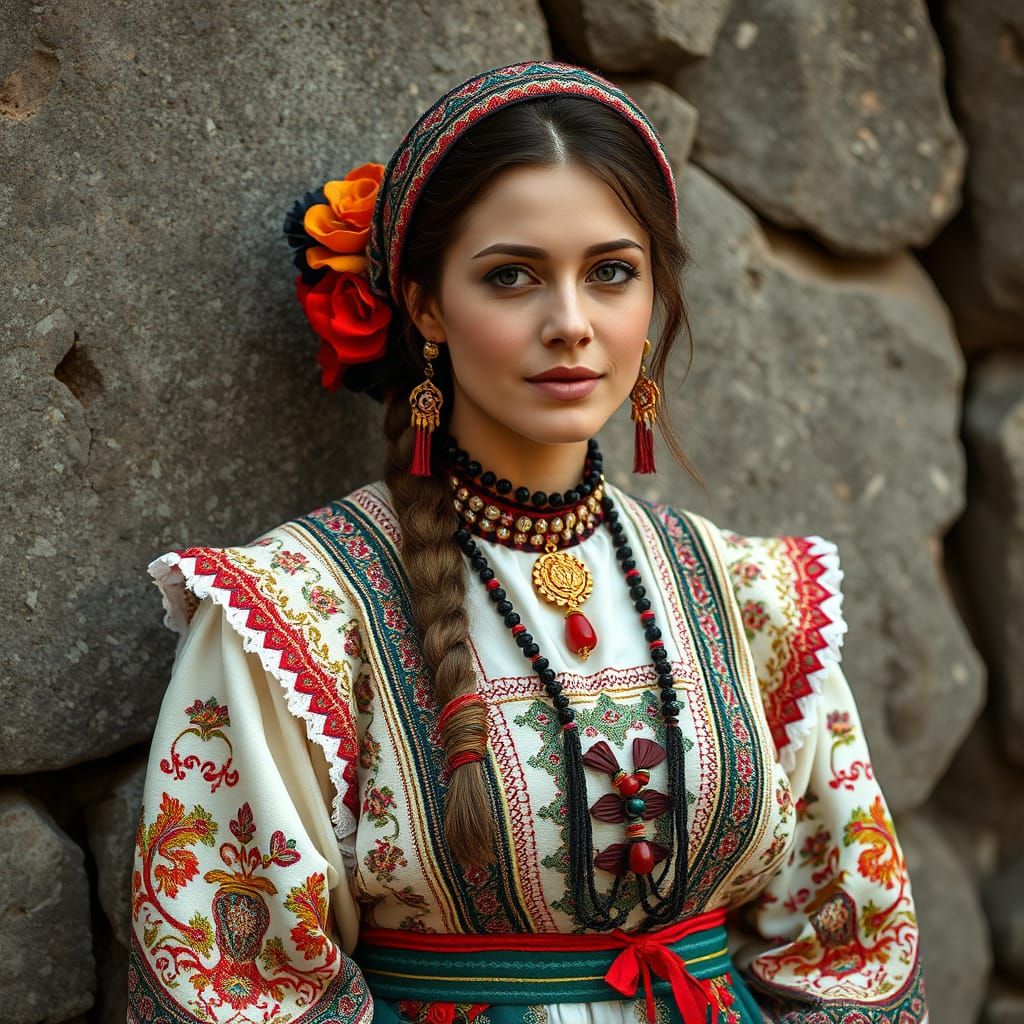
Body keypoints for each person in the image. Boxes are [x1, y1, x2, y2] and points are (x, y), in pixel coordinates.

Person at [127, 61, 927, 1024]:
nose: (571, 324)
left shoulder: (753, 596)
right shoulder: (298, 613)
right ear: (423, 305)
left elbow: (853, 938)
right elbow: (236, 980)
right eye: (511, 276)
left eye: (611, 273)